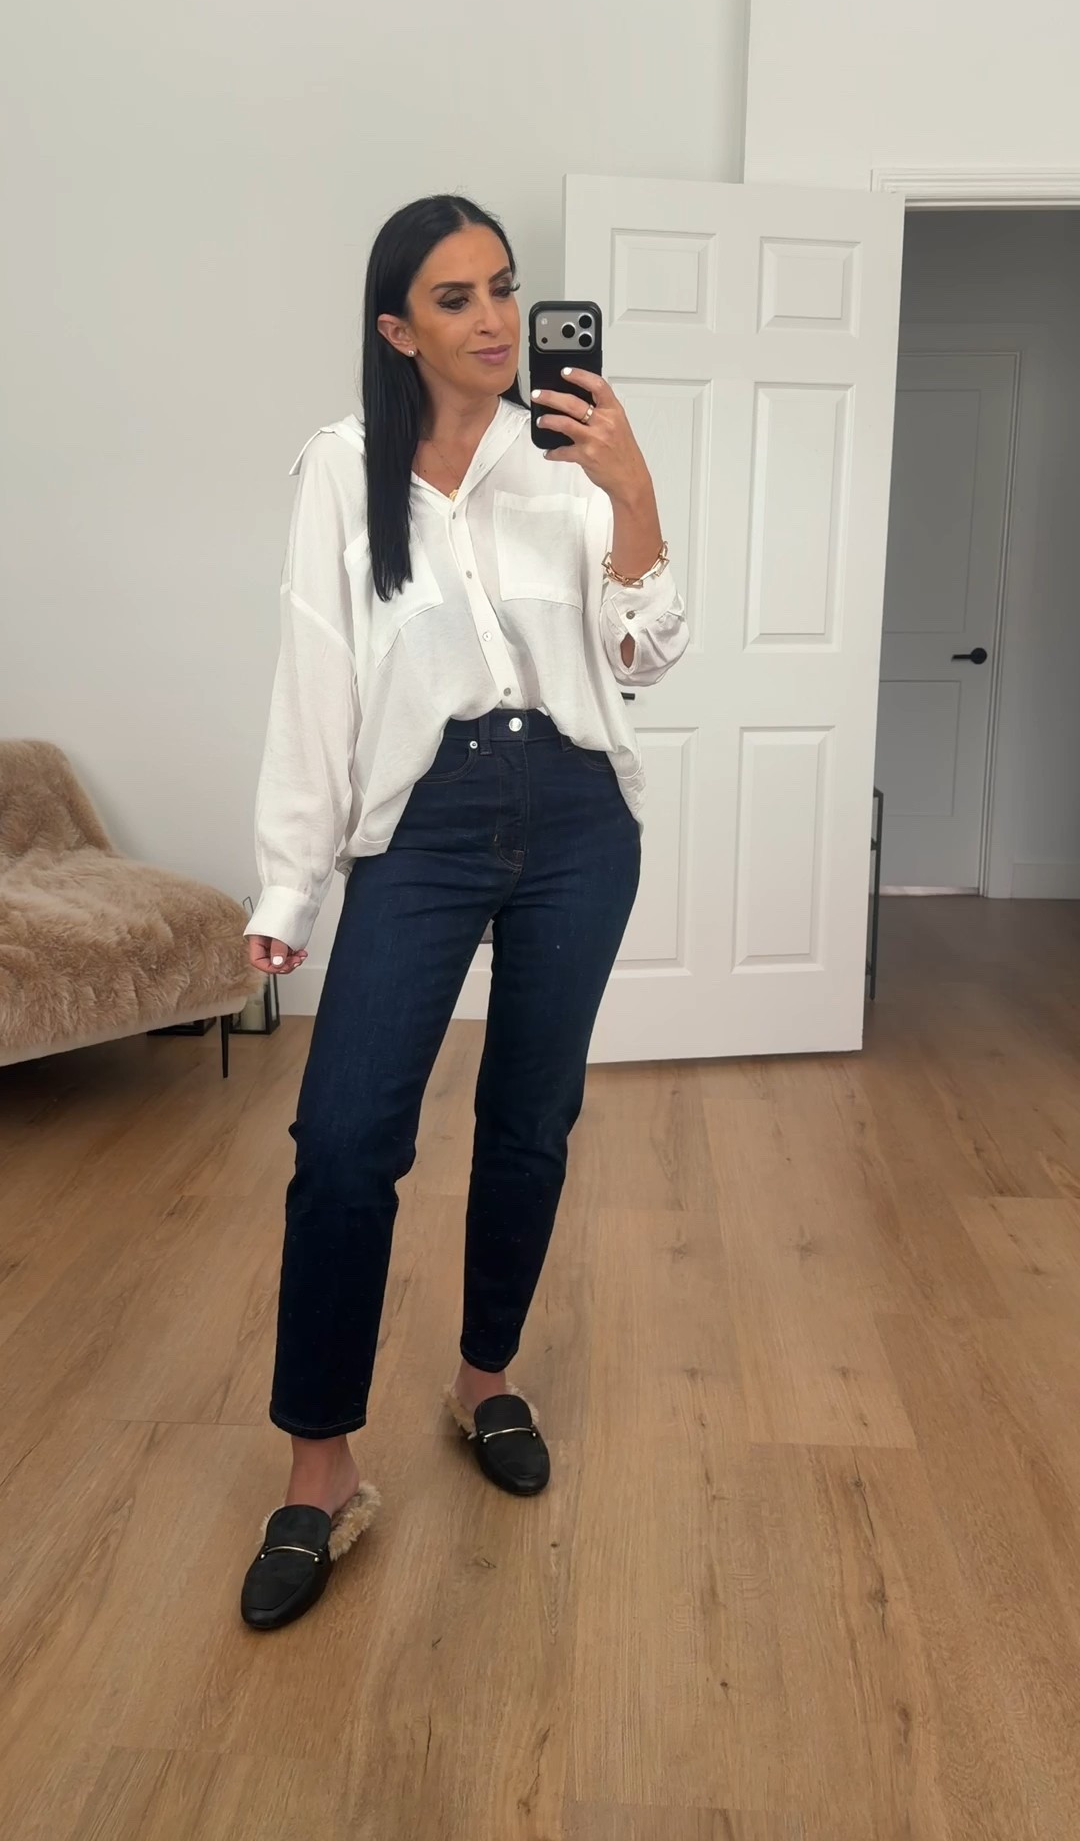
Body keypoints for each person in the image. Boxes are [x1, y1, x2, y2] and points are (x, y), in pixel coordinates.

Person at [239, 193, 689, 1630]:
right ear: (397, 329)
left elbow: (646, 655)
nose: (495, 319)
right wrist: (289, 879)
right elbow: (316, 674)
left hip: (576, 814)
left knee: (531, 1117)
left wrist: (631, 492)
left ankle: (483, 1378)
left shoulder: (568, 456)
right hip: (423, 821)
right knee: (345, 1138)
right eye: (455, 298)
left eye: (505, 286)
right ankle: (320, 1468)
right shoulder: (342, 468)